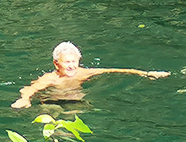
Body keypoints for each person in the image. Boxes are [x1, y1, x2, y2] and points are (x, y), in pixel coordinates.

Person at [11, 41, 169, 109]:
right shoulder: (51, 78)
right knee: (51, 112)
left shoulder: (83, 73)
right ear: (56, 63)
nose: (72, 66)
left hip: (76, 99)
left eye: (74, 61)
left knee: (82, 109)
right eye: (67, 62)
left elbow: (114, 70)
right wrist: (24, 99)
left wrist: (146, 74)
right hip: (52, 100)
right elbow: (31, 89)